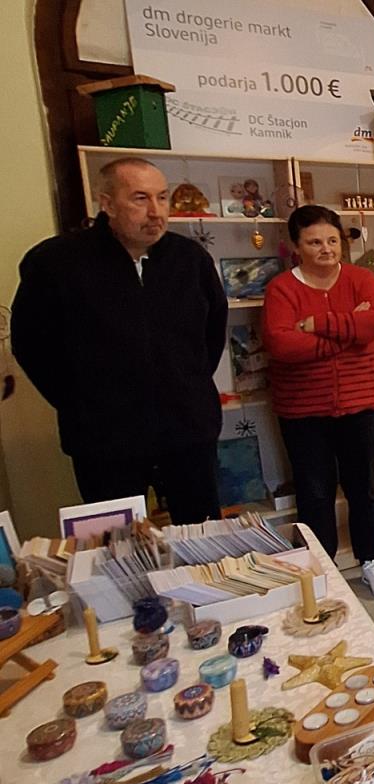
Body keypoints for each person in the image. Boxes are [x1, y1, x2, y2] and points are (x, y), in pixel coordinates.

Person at [11, 157, 227, 524]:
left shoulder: (190, 259)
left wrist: (186, 384)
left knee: (201, 535)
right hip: (104, 439)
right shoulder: (56, 262)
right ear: (107, 203)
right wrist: (81, 400)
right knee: (116, 543)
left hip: (188, 431)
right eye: (140, 198)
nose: (156, 211)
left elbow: (212, 333)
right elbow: (32, 344)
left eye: (162, 197)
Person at [262, 205, 374, 598]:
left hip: (361, 403)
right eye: (314, 242)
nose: (326, 249)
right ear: (296, 246)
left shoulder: (361, 279)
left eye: (333, 240)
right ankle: (323, 568)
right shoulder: (281, 289)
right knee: (315, 492)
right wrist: (349, 336)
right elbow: (282, 344)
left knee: (365, 487)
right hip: (303, 410)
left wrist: (317, 325)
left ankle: (372, 559)